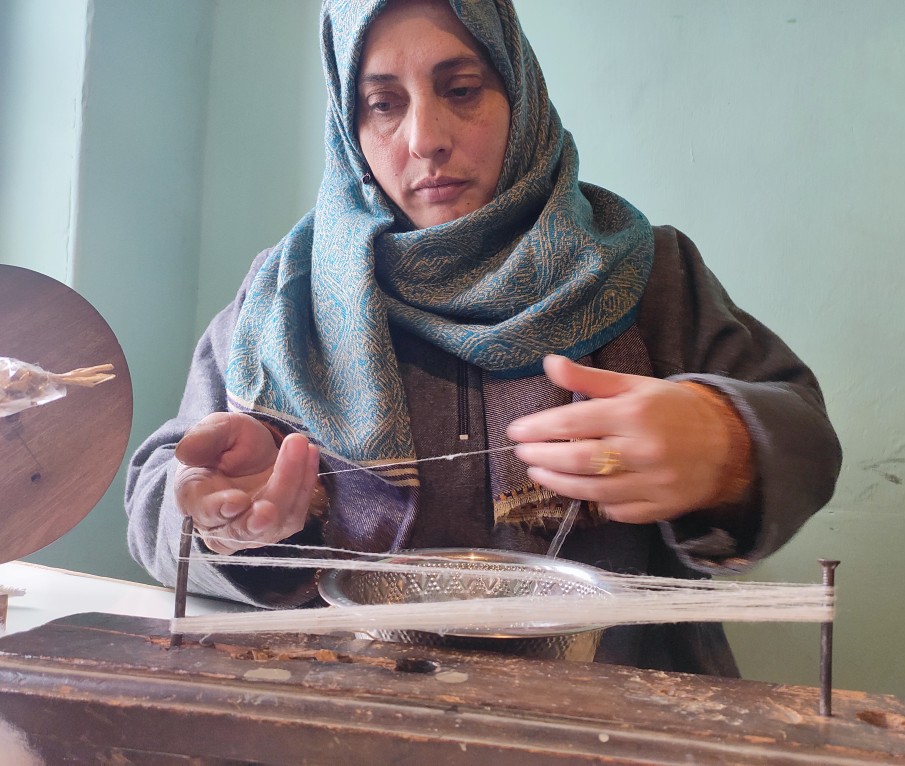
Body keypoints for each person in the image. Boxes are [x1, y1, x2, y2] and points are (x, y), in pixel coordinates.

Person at [126, 0, 841, 675]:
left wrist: (727, 445)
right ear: (349, 122)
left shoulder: (642, 272)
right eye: (383, 104)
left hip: (610, 722)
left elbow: (803, 433)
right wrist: (227, 517)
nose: (425, 139)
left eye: (462, 89)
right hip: (350, 721)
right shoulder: (286, 295)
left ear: (519, 93)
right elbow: (161, 494)